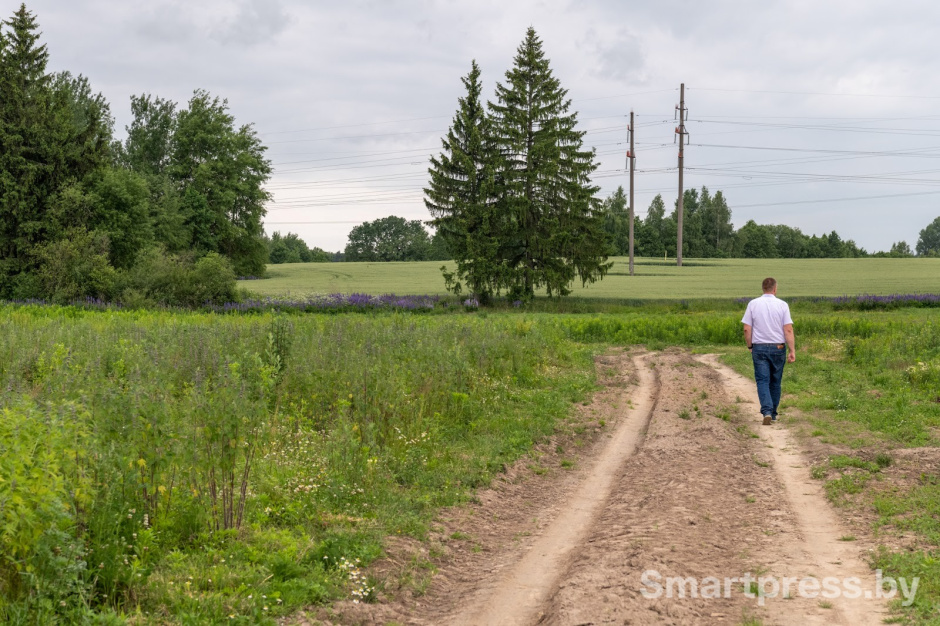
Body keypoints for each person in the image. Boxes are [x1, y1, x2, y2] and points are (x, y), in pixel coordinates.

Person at [741, 277, 796, 425]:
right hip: (778, 347)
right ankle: (772, 414)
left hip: (759, 348)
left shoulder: (753, 304)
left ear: (763, 288)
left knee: (762, 381)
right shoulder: (782, 305)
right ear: (775, 289)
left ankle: (766, 410)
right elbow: (788, 329)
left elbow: (747, 328)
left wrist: (750, 346)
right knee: (775, 381)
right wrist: (792, 350)